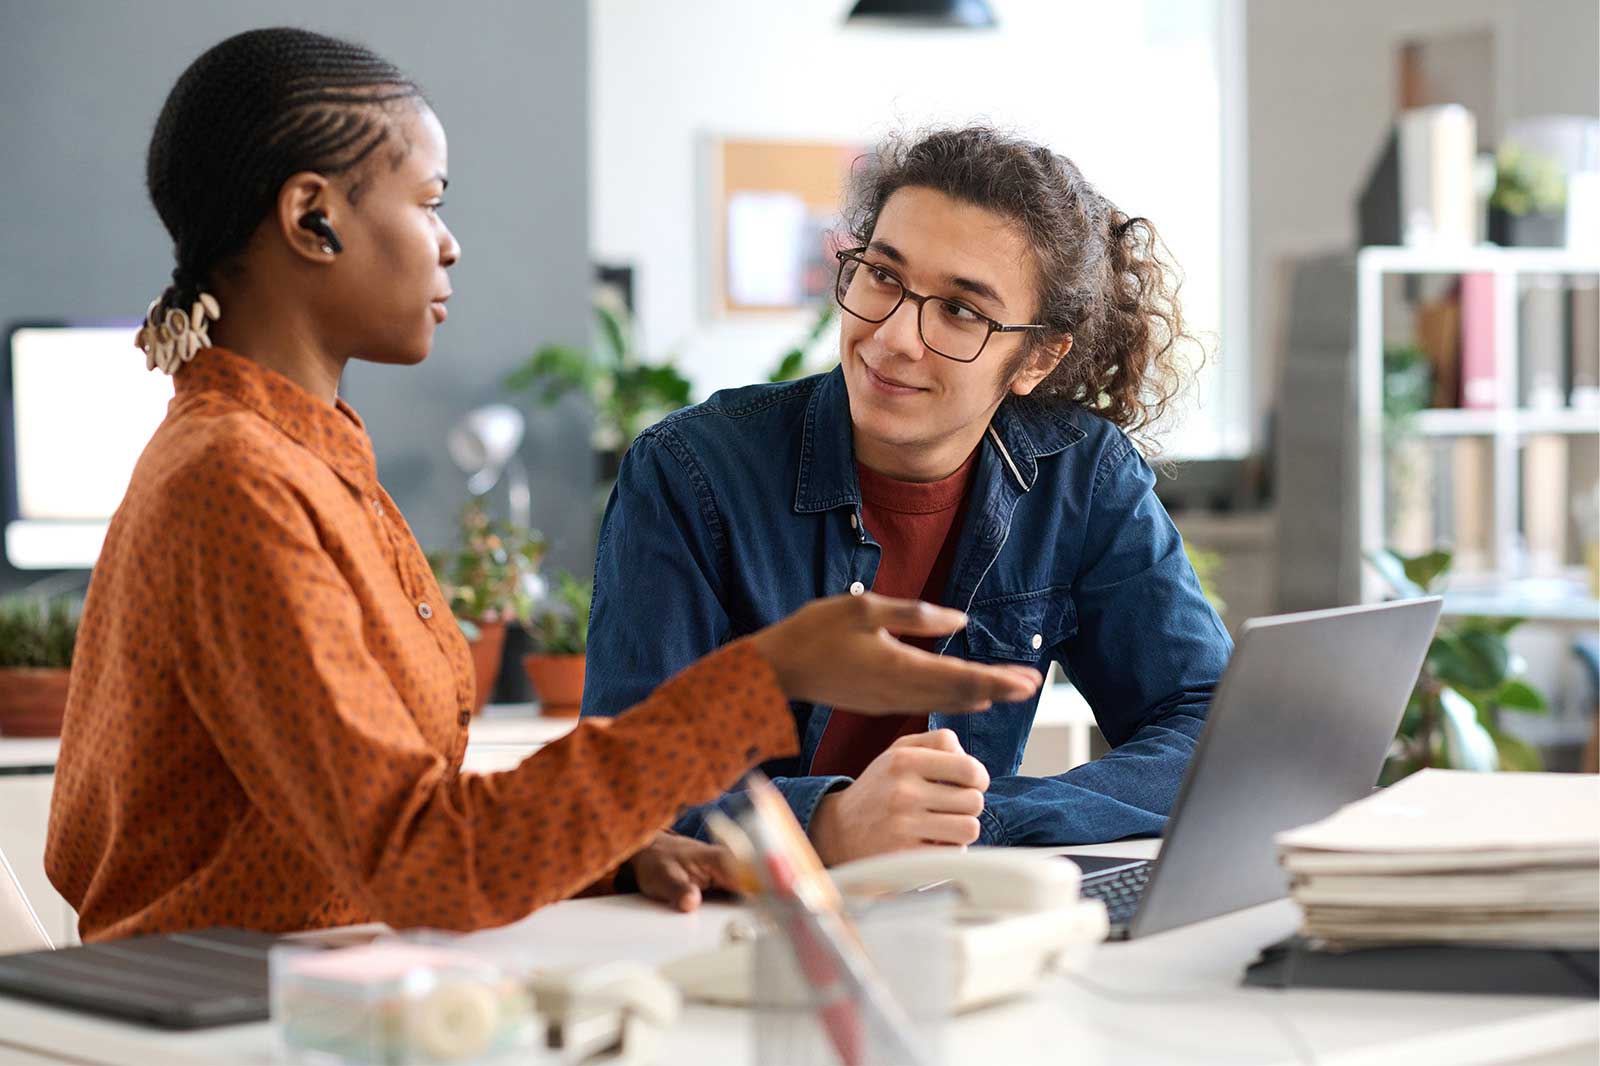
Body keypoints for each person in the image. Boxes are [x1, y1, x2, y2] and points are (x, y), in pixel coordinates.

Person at [44, 30, 1041, 943]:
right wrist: (769, 674)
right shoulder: (235, 480)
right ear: (314, 218)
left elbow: (373, 818)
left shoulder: (303, 454)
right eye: (430, 200)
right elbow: (427, 867)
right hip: (223, 1024)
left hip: (329, 991)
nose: (450, 241)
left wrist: (598, 853)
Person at [584, 126, 1232, 868]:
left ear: (1037, 357)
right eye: (883, 277)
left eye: (961, 310)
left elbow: (1210, 725)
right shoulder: (690, 472)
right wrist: (824, 824)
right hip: (740, 922)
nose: (894, 339)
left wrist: (973, 820)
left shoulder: (1080, 477)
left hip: (962, 910)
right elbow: (623, 788)